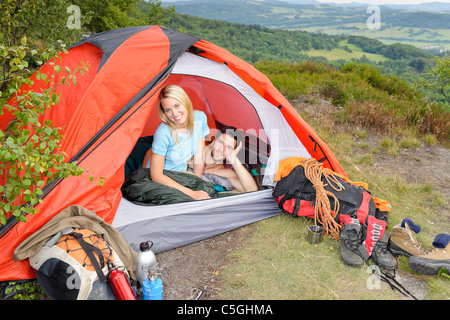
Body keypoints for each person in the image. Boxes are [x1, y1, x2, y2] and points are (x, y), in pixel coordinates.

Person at [142, 85, 211, 200]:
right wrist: (191, 193)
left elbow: (199, 157)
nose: (174, 113)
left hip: (180, 175)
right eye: (168, 110)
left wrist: (197, 183)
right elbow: (156, 176)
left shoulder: (200, 118)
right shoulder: (163, 132)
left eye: (177, 105)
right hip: (161, 179)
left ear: (185, 101)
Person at [191, 127, 258, 193]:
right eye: (220, 142)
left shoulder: (225, 172)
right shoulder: (194, 149)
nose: (222, 149)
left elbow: (252, 190)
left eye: (228, 147)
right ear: (213, 142)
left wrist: (234, 159)